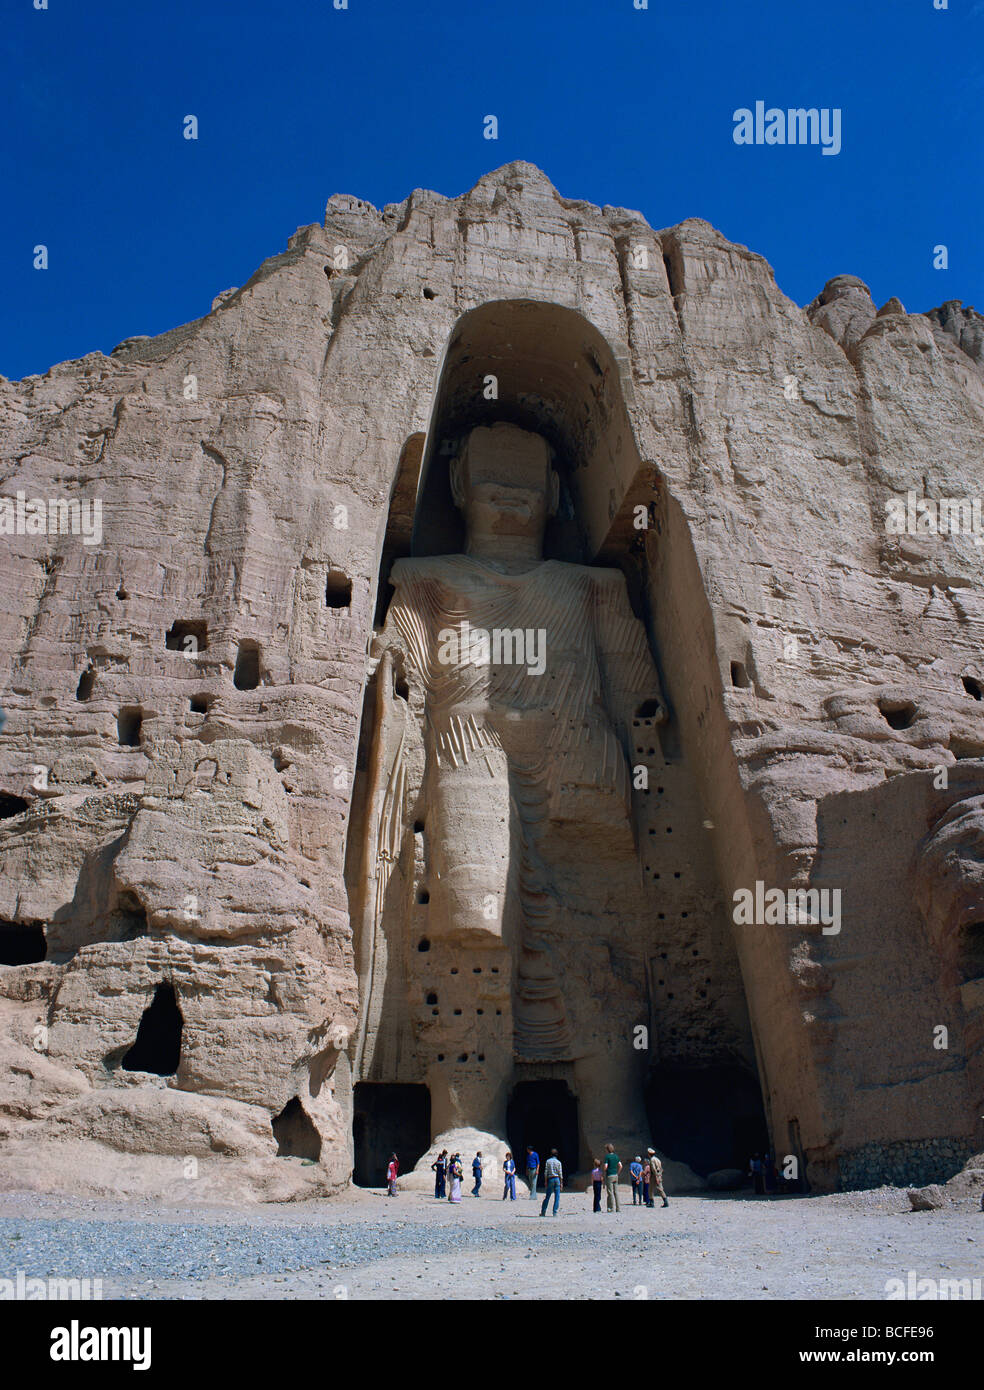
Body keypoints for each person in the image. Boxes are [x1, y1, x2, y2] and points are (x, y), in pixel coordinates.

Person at [539, 1148, 563, 1216]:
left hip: (550, 1179)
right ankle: (554, 1212)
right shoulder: (559, 1162)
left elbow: (546, 1172)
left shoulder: (548, 1161)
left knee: (547, 1196)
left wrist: (545, 1181)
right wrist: (561, 1183)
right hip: (557, 1179)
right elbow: (560, 1173)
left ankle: (543, 1212)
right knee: (557, 1196)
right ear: (557, 1154)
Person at [604, 1143, 622, 1212]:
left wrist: (605, 1170)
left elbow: (605, 1166)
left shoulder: (607, 1157)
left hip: (609, 1175)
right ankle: (618, 1208)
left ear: (607, 1150)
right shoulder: (616, 1156)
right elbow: (620, 1166)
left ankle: (611, 1208)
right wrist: (617, 1173)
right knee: (616, 1192)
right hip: (615, 1175)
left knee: (610, 1192)